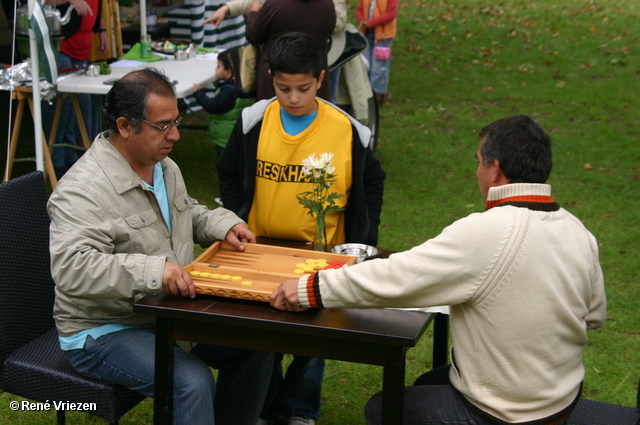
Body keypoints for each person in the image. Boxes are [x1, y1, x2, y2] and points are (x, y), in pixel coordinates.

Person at [270, 115, 607, 425]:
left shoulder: (487, 231)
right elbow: (594, 316)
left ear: (496, 169)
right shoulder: (579, 232)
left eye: (478, 162)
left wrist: (309, 289)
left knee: (383, 407)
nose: (476, 172)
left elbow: (396, 277)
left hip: (507, 412)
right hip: (561, 400)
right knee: (428, 383)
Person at [47, 68, 274, 425]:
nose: (177, 135)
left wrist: (221, 223)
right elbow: (73, 268)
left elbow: (184, 211)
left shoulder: (163, 166)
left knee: (256, 343)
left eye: (176, 121)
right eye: (163, 125)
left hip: (168, 312)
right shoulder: (81, 191)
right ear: (125, 126)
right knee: (191, 381)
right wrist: (155, 272)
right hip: (103, 328)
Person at [217, 32, 385, 425]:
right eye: (283, 88)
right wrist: (236, 216)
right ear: (271, 77)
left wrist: (364, 239)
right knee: (264, 336)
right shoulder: (253, 120)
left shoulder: (347, 130)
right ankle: (264, 402)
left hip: (320, 255)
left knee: (312, 339)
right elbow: (227, 171)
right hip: (261, 251)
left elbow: (371, 182)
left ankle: (299, 409)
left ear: (321, 79)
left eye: (303, 89)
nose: (293, 98)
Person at [42, 0, 108, 178]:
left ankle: (70, 158)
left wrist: (102, 31)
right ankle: (56, 161)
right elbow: (40, 2)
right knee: (60, 106)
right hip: (61, 47)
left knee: (72, 106)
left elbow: (95, 9)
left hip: (81, 51)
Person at [244, 0, 336, 101]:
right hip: (313, 77)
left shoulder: (274, 5)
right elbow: (329, 30)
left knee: (274, 115)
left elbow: (253, 35)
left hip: (279, 79)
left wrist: (253, 12)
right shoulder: (327, 4)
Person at [193, 49, 254, 159]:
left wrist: (198, 93)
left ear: (228, 72)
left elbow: (212, 106)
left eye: (218, 66)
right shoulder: (244, 86)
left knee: (224, 164)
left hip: (226, 139)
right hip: (236, 135)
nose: (215, 69)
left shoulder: (228, 91)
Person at [357, 0, 398, 105]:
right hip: (367, 33)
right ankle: (367, 92)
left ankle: (378, 94)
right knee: (366, 64)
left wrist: (370, 23)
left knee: (379, 66)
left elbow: (390, 14)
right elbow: (360, 9)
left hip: (383, 35)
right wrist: (361, 20)